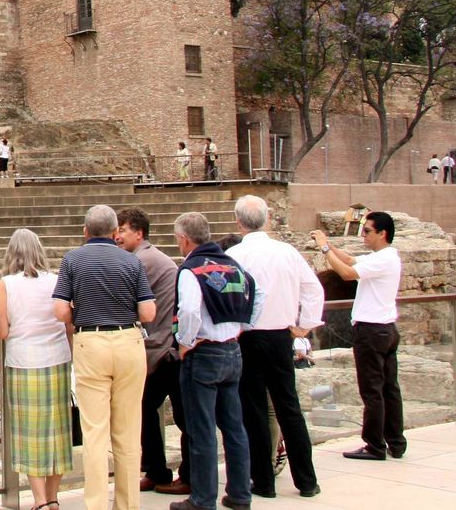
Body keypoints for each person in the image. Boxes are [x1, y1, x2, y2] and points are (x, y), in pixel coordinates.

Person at [52, 204, 157, 510]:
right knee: (127, 429)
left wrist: (82, 309)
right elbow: (148, 311)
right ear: (114, 232)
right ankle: (127, 504)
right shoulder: (131, 261)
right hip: (128, 341)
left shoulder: (72, 260)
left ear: (85, 231)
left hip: (91, 340)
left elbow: (60, 310)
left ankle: (96, 504)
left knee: (94, 431)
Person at [226, 195, 323, 499]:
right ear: (267, 219)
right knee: (288, 407)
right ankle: (306, 480)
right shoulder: (287, 252)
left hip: (249, 337)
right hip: (282, 335)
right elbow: (313, 289)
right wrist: (304, 324)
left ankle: (263, 481)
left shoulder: (235, 255)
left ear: (238, 221)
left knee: (253, 409)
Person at [170, 211, 260, 510]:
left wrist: (185, 341)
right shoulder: (233, 265)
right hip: (232, 350)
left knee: (202, 429)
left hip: (204, 352)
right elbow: (255, 295)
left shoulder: (191, 269)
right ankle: (239, 494)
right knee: (234, 427)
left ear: (184, 239)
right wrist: (242, 327)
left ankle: (203, 498)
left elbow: (190, 310)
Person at [311, 211, 406, 462]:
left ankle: (375, 445)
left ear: (382, 233)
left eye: (367, 231)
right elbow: (352, 260)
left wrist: (323, 249)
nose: (363, 235)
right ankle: (396, 441)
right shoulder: (384, 258)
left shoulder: (384, 259)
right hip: (385, 329)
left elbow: (346, 273)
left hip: (372, 331)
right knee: (388, 388)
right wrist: (329, 245)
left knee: (372, 390)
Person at [0, 228, 72, 510]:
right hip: (58, 359)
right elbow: (68, 322)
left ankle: (38, 500)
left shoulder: (7, 284)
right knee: (58, 431)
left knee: (29, 433)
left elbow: (0, 329)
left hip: (23, 362)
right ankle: (53, 497)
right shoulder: (57, 280)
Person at [115, 207, 189, 496]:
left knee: (180, 416)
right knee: (146, 409)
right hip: (162, 346)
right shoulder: (145, 258)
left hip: (165, 349)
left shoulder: (142, 261)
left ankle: (185, 475)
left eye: (123, 230)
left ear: (139, 233)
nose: (117, 236)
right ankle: (156, 471)